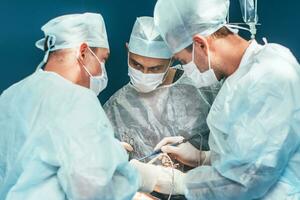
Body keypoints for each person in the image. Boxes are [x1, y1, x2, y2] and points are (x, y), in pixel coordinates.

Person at [130, 0, 300, 199]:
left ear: (200, 44)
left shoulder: (271, 76)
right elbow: (249, 151)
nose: (187, 70)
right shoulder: (242, 75)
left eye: (184, 61)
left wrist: (171, 180)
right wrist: (203, 158)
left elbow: (246, 180)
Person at [0, 13, 139, 200]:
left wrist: (102, 150)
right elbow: (91, 189)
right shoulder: (77, 99)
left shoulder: (10, 95)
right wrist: (123, 168)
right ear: (83, 52)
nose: (102, 70)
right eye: (103, 59)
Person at [104, 16, 218, 200]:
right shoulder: (116, 106)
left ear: (172, 57)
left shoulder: (203, 89)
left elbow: (237, 156)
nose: (144, 73)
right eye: (137, 64)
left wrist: (202, 157)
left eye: (155, 68)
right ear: (128, 51)